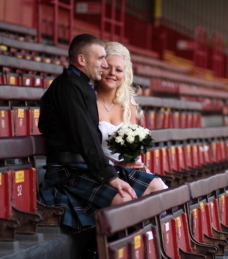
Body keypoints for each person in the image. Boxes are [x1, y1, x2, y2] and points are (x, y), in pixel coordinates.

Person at [37, 34, 163, 258]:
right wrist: (112, 177)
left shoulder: (80, 84)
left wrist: (117, 167)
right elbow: (84, 138)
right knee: (125, 201)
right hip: (68, 170)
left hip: (88, 166)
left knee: (157, 188)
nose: (106, 66)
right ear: (82, 60)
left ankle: (152, 251)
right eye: (102, 59)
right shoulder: (67, 87)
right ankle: (103, 253)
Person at [95, 42, 167, 189]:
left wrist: (134, 162)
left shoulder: (128, 104)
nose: (112, 73)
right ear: (100, 67)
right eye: (108, 67)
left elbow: (132, 145)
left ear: (124, 74)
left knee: (159, 189)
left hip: (127, 167)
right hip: (101, 168)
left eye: (118, 70)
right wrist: (115, 164)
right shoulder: (89, 101)